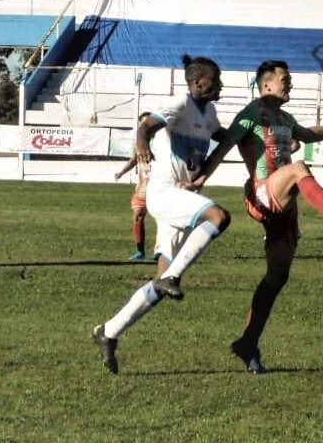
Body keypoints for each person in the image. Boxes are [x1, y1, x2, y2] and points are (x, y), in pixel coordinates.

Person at [193, 59, 323, 374]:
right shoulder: (250, 114)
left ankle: (248, 343)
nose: (289, 84)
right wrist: (201, 179)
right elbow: (224, 146)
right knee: (298, 168)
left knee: (277, 277)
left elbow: (310, 134)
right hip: (262, 194)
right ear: (266, 85)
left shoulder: (284, 117)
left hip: (285, 205)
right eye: (284, 80)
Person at [91, 55, 232, 374]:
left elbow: (223, 139)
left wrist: (211, 167)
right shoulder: (180, 103)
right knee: (218, 217)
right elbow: (146, 126)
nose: (219, 84)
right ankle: (174, 277)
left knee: (158, 286)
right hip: (164, 194)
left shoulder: (209, 113)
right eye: (215, 80)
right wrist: (141, 144)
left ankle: (108, 332)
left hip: (181, 196)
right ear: (198, 83)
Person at [114, 113, 152, 262]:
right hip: (144, 184)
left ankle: (161, 250)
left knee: (163, 218)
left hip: (161, 183)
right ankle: (140, 251)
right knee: (137, 216)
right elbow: (135, 159)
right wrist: (122, 172)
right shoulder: (137, 143)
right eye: (143, 124)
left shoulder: (164, 141)